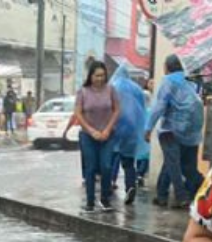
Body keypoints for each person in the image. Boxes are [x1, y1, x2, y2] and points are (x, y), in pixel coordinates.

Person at [146, 55, 204, 209]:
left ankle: (182, 196)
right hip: (192, 131)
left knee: (174, 164)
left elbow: (159, 106)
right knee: (182, 164)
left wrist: (148, 128)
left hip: (171, 130)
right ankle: (162, 196)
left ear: (167, 67)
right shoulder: (191, 80)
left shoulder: (169, 80)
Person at [74, 61, 120, 212]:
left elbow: (116, 110)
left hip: (107, 135)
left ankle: (105, 199)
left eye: (102, 75)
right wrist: (91, 130)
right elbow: (78, 113)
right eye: (97, 75)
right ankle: (90, 201)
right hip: (88, 135)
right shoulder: (83, 91)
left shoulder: (111, 90)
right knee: (91, 167)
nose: (100, 78)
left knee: (106, 166)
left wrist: (107, 129)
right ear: (91, 76)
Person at [108, 69, 147, 206]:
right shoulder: (137, 89)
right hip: (132, 129)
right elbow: (142, 110)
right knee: (129, 162)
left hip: (115, 127)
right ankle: (130, 186)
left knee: (110, 157)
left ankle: (109, 184)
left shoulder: (112, 86)